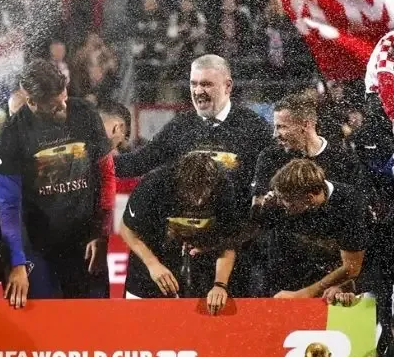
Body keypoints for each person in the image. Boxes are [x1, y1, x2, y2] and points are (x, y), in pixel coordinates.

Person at [0, 59, 115, 304]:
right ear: (31, 102)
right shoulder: (11, 134)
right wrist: (17, 262)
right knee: (41, 321)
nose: (64, 108)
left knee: (92, 320)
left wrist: (101, 234)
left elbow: (107, 174)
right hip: (38, 246)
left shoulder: (85, 113)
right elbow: (9, 206)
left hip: (85, 241)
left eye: (64, 98)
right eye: (54, 106)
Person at [115, 54, 270, 196]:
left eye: (206, 84)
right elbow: (138, 162)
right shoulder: (179, 126)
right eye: (193, 84)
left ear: (227, 86)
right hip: (185, 217)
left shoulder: (255, 127)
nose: (198, 91)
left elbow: (273, 175)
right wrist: (103, 161)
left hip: (235, 217)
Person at [119, 152, 239, 312]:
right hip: (148, 271)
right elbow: (126, 229)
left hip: (199, 274)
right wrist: (153, 264)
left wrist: (220, 284)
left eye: (204, 193)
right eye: (193, 192)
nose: (198, 200)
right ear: (179, 182)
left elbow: (229, 242)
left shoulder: (223, 187)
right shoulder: (153, 185)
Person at [259, 159, 368, 299]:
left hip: (335, 279)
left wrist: (304, 294)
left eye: (287, 200)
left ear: (309, 198)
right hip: (292, 274)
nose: (280, 203)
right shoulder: (283, 199)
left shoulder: (348, 204)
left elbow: (352, 268)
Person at [252, 93, 364, 202]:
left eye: (281, 127)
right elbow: (258, 204)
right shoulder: (270, 157)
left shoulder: (343, 159)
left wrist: (323, 189)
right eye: (275, 127)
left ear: (305, 125)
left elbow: (358, 202)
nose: (275, 134)